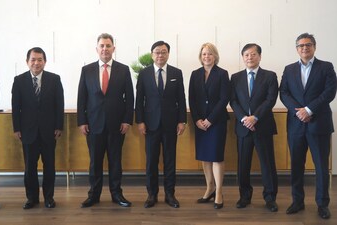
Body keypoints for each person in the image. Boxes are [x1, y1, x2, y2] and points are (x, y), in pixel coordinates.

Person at [280, 33, 337, 220]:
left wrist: (309, 109)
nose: (305, 48)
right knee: (296, 165)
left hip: (318, 124)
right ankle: (297, 201)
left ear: (314, 47)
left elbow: (330, 92)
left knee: (321, 166)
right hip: (296, 125)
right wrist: (298, 111)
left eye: (308, 45)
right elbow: (284, 93)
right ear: (296, 48)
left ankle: (322, 204)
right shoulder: (289, 69)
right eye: (301, 45)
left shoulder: (326, 67)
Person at [77, 33, 134, 208]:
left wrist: (127, 120)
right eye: (102, 46)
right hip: (93, 125)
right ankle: (93, 195)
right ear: (97, 49)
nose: (105, 49)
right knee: (95, 162)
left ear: (113, 49)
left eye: (108, 46)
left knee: (115, 162)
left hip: (117, 125)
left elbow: (130, 98)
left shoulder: (123, 69)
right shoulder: (87, 70)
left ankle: (117, 194)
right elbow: (82, 97)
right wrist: (82, 121)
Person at [135, 40, 187, 208]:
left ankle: (170, 194)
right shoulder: (144, 74)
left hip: (171, 124)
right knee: (151, 161)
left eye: (163, 52)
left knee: (170, 160)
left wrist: (182, 120)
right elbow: (139, 100)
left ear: (168, 54)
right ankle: (152, 194)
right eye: (157, 52)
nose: (160, 55)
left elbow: (181, 98)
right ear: (152, 55)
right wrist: (140, 121)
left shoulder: (176, 73)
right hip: (150, 125)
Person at [11, 47, 64, 209]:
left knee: (49, 166)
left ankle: (49, 197)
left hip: (49, 131)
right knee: (30, 168)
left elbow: (59, 105)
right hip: (28, 132)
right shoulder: (19, 81)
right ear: (27, 62)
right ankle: (31, 198)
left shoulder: (54, 79)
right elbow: (16, 107)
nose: (36, 63)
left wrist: (59, 126)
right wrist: (16, 128)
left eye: (40, 59)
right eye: (33, 59)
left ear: (45, 62)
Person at [229, 43, 279, 212]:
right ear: (243, 58)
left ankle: (270, 198)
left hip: (262, 126)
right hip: (243, 127)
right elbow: (233, 101)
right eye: (246, 55)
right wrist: (244, 118)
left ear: (259, 56)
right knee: (243, 164)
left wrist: (255, 117)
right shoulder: (235, 78)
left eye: (253, 54)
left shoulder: (270, 76)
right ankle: (244, 196)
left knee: (267, 164)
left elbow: (270, 100)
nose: (250, 57)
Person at [188, 43, 230, 209]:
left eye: (210, 54)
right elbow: (191, 98)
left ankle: (219, 191)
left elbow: (224, 98)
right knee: (205, 157)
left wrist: (210, 119)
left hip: (216, 122)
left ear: (215, 56)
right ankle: (209, 188)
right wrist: (197, 119)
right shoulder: (195, 74)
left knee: (216, 157)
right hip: (200, 123)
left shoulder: (222, 74)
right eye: (204, 54)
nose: (207, 57)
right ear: (200, 56)